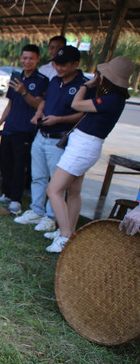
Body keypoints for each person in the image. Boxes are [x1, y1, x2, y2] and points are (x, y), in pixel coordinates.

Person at [44, 56, 132, 253]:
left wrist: (86, 85)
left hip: (83, 147)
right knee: (73, 191)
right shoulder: (113, 98)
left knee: (54, 190)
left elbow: (76, 104)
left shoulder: (111, 100)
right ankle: (68, 232)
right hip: (84, 145)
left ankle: (65, 236)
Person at [14, 45, 87, 233]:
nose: (59, 68)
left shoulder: (83, 85)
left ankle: (51, 216)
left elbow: (83, 114)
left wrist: (59, 120)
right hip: (42, 134)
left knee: (56, 182)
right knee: (37, 176)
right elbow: (44, 101)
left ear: (75, 64)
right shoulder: (54, 80)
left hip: (60, 139)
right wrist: (39, 112)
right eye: (56, 63)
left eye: (63, 65)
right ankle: (36, 210)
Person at [0, 45, 49, 216]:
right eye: (24, 58)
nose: (27, 61)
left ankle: (16, 200)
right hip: (10, 128)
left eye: (31, 58)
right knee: (5, 164)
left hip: (25, 129)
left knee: (19, 167)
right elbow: (10, 104)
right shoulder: (17, 77)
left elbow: (39, 104)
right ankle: (6, 194)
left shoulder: (41, 80)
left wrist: (24, 92)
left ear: (37, 59)